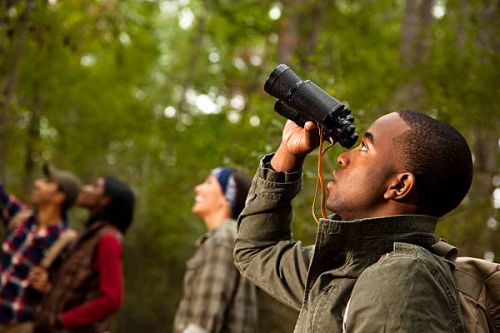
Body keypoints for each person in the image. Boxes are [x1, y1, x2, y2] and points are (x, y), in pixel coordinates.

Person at [234, 110, 473, 332]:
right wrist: (288, 152)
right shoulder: (349, 265)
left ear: (399, 186)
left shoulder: (401, 278)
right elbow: (256, 252)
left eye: (365, 148)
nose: (342, 157)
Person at [29, 177, 134, 333]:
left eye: (94, 186)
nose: (85, 188)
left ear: (105, 200)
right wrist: (49, 289)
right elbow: (79, 289)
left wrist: (63, 320)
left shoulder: (108, 239)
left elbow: (112, 300)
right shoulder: (88, 236)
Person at [173, 167, 258, 333]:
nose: (198, 188)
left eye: (209, 182)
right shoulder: (234, 237)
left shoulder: (222, 238)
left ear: (226, 199)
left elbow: (205, 318)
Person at [0, 164, 81, 333]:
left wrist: (48, 286)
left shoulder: (68, 242)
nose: (37, 183)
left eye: (47, 182)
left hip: (22, 327)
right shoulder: (21, 218)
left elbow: (71, 294)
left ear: (59, 197)